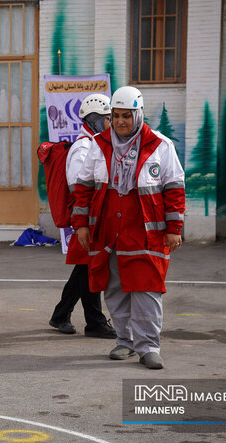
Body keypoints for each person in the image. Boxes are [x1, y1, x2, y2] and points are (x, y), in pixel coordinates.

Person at [71, 86, 185, 369]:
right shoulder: (98, 145)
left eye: (127, 115)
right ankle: (124, 341)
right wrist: (81, 226)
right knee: (115, 288)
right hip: (108, 229)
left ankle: (148, 347)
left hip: (146, 231)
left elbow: (174, 189)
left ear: (139, 114)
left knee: (147, 289)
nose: (121, 121)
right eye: (116, 115)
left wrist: (174, 228)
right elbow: (83, 189)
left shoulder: (161, 146)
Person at [49, 93, 116, 339]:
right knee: (88, 268)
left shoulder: (98, 144)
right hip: (86, 218)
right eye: (108, 118)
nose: (111, 123)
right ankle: (93, 322)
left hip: (95, 216)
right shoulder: (82, 148)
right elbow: (78, 186)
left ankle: (63, 315)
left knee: (86, 268)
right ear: (95, 119)